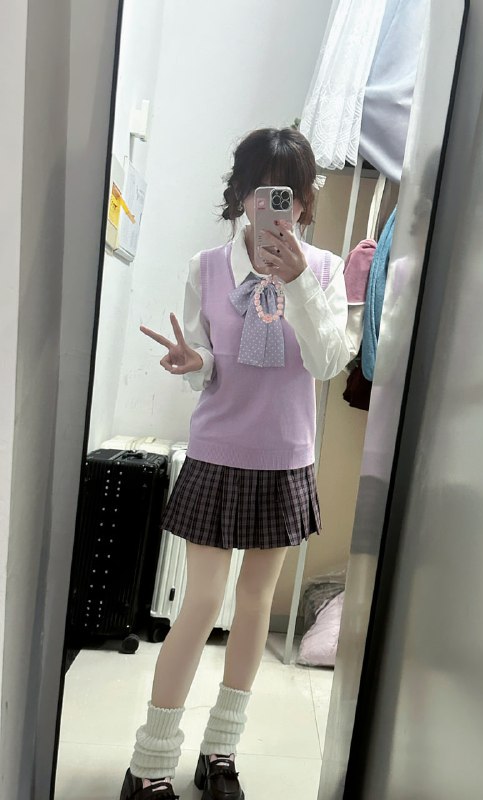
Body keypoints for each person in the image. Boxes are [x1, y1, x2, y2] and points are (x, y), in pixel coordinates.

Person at [119, 127, 351, 800]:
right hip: (218, 453)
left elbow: (327, 362)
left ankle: (219, 754)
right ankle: (149, 764)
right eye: (261, 191)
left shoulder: (326, 270)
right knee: (201, 603)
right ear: (242, 195)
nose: (275, 206)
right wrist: (194, 362)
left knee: (253, 606)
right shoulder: (207, 268)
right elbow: (207, 364)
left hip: (284, 458)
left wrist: (298, 281)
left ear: (304, 202)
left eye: (289, 194)